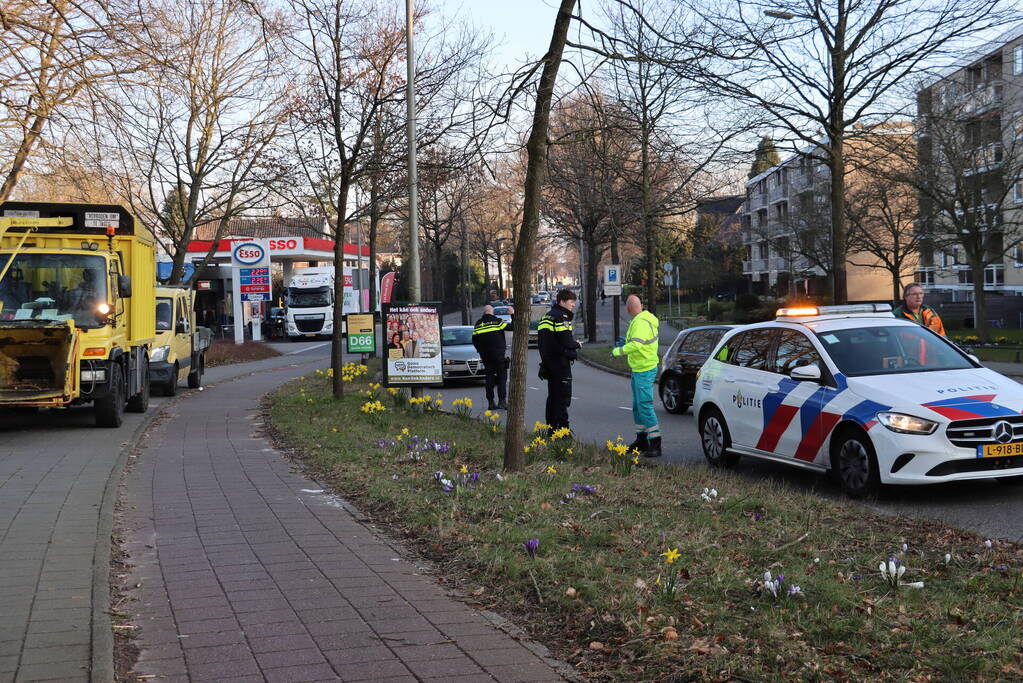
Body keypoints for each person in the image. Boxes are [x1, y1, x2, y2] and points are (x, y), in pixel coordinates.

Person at [612, 295, 662, 458]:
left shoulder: (640, 322)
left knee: (645, 405)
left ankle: (655, 443)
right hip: (640, 368)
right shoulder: (644, 319)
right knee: (638, 406)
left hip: (644, 368)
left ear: (628, 309)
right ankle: (641, 440)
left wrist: (618, 351)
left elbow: (637, 344)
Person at [537, 288, 582, 433]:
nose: (573, 305)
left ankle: (551, 429)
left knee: (553, 398)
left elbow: (547, 343)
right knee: (562, 398)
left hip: (548, 364)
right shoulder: (562, 317)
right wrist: (577, 345)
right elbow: (566, 341)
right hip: (560, 365)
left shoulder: (546, 317)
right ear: (562, 301)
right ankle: (563, 431)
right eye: (571, 302)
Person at [472, 304, 514, 410]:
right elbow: (512, 327)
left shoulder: (478, 324)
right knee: (502, 378)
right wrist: (512, 314)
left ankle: (491, 403)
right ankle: (502, 402)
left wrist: (480, 351)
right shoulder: (497, 322)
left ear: (484, 312)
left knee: (489, 379)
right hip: (499, 356)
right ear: (492, 312)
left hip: (486, 356)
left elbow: (474, 341)